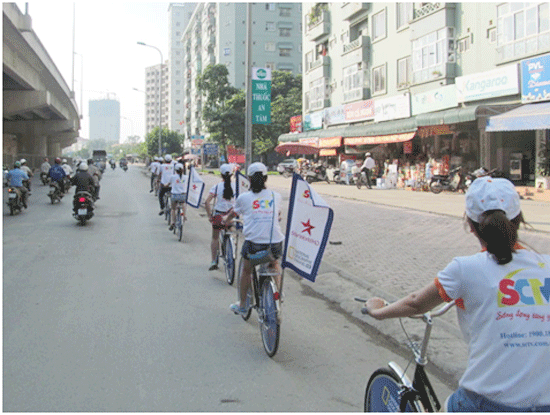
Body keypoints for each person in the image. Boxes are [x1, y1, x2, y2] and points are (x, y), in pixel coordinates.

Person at [364, 176, 550, 412]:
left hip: (486, 403)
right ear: (519, 220)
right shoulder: (546, 265)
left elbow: (415, 304)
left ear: (470, 225)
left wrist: (377, 310)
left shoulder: (466, 269)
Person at [224, 162, 285, 316]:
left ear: (249, 179)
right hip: (275, 244)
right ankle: (277, 294)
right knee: (274, 263)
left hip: (254, 246)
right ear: (265, 178)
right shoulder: (276, 196)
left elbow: (233, 214)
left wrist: (226, 220)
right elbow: (277, 215)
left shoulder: (244, 198)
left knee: (246, 269)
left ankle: (243, 305)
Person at [205, 163, 236, 270]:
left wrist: (210, 216)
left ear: (221, 175)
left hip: (218, 217)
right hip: (231, 216)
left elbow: (207, 202)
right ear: (232, 174)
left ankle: (213, 261)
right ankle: (232, 248)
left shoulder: (217, 187)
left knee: (215, 238)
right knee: (232, 231)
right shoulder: (237, 186)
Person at [167, 163, 188, 231]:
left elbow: (168, 184)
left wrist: (165, 185)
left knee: (173, 209)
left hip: (174, 195)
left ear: (175, 170)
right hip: (183, 195)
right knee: (184, 203)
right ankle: (184, 215)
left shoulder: (172, 177)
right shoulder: (186, 177)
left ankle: (173, 222)